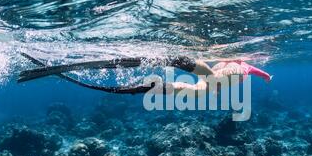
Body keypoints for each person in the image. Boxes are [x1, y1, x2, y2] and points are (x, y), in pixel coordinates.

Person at [18, 54, 271, 94]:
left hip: (216, 82)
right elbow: (251, 69)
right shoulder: (240, 64)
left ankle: (156, 86)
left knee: (199, 88)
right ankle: (169, 65)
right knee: (204, 84)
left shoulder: (230, 65)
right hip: (220, 78)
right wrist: (265, 76)